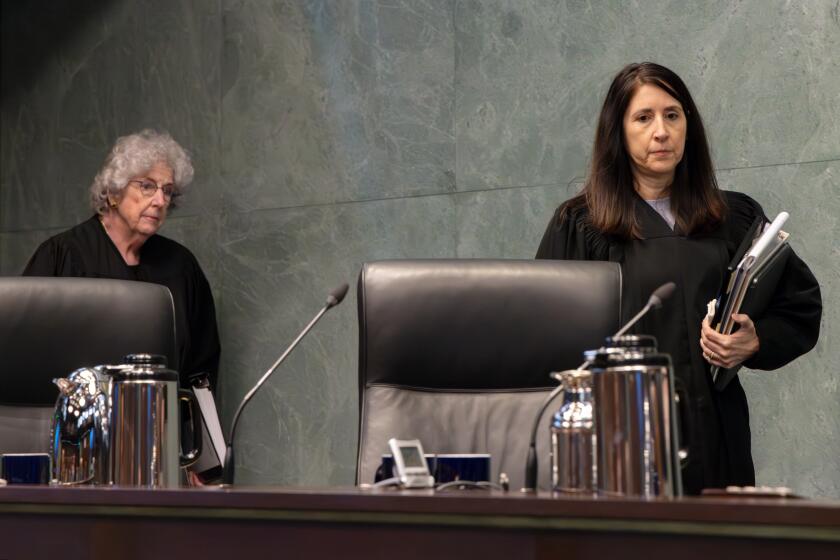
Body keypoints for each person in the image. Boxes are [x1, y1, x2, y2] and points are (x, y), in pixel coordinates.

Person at [536, 62, 821, 494]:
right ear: (618, 130)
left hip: (716, 435)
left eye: (673, 114)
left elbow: (800, 305)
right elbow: (544, 332)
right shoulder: (581, 224)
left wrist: (755, 339)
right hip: (622, 437)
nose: (661, 131)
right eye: (643, 117)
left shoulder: (733, 216)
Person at [23, 129, 220, 390]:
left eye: (168, 190)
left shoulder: (181, 266)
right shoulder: (62, 255)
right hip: (82, 425)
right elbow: (26, 357)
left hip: (162, 424)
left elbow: (200, 368)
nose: (160, 201)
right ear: (114, 193)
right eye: (147, 186)